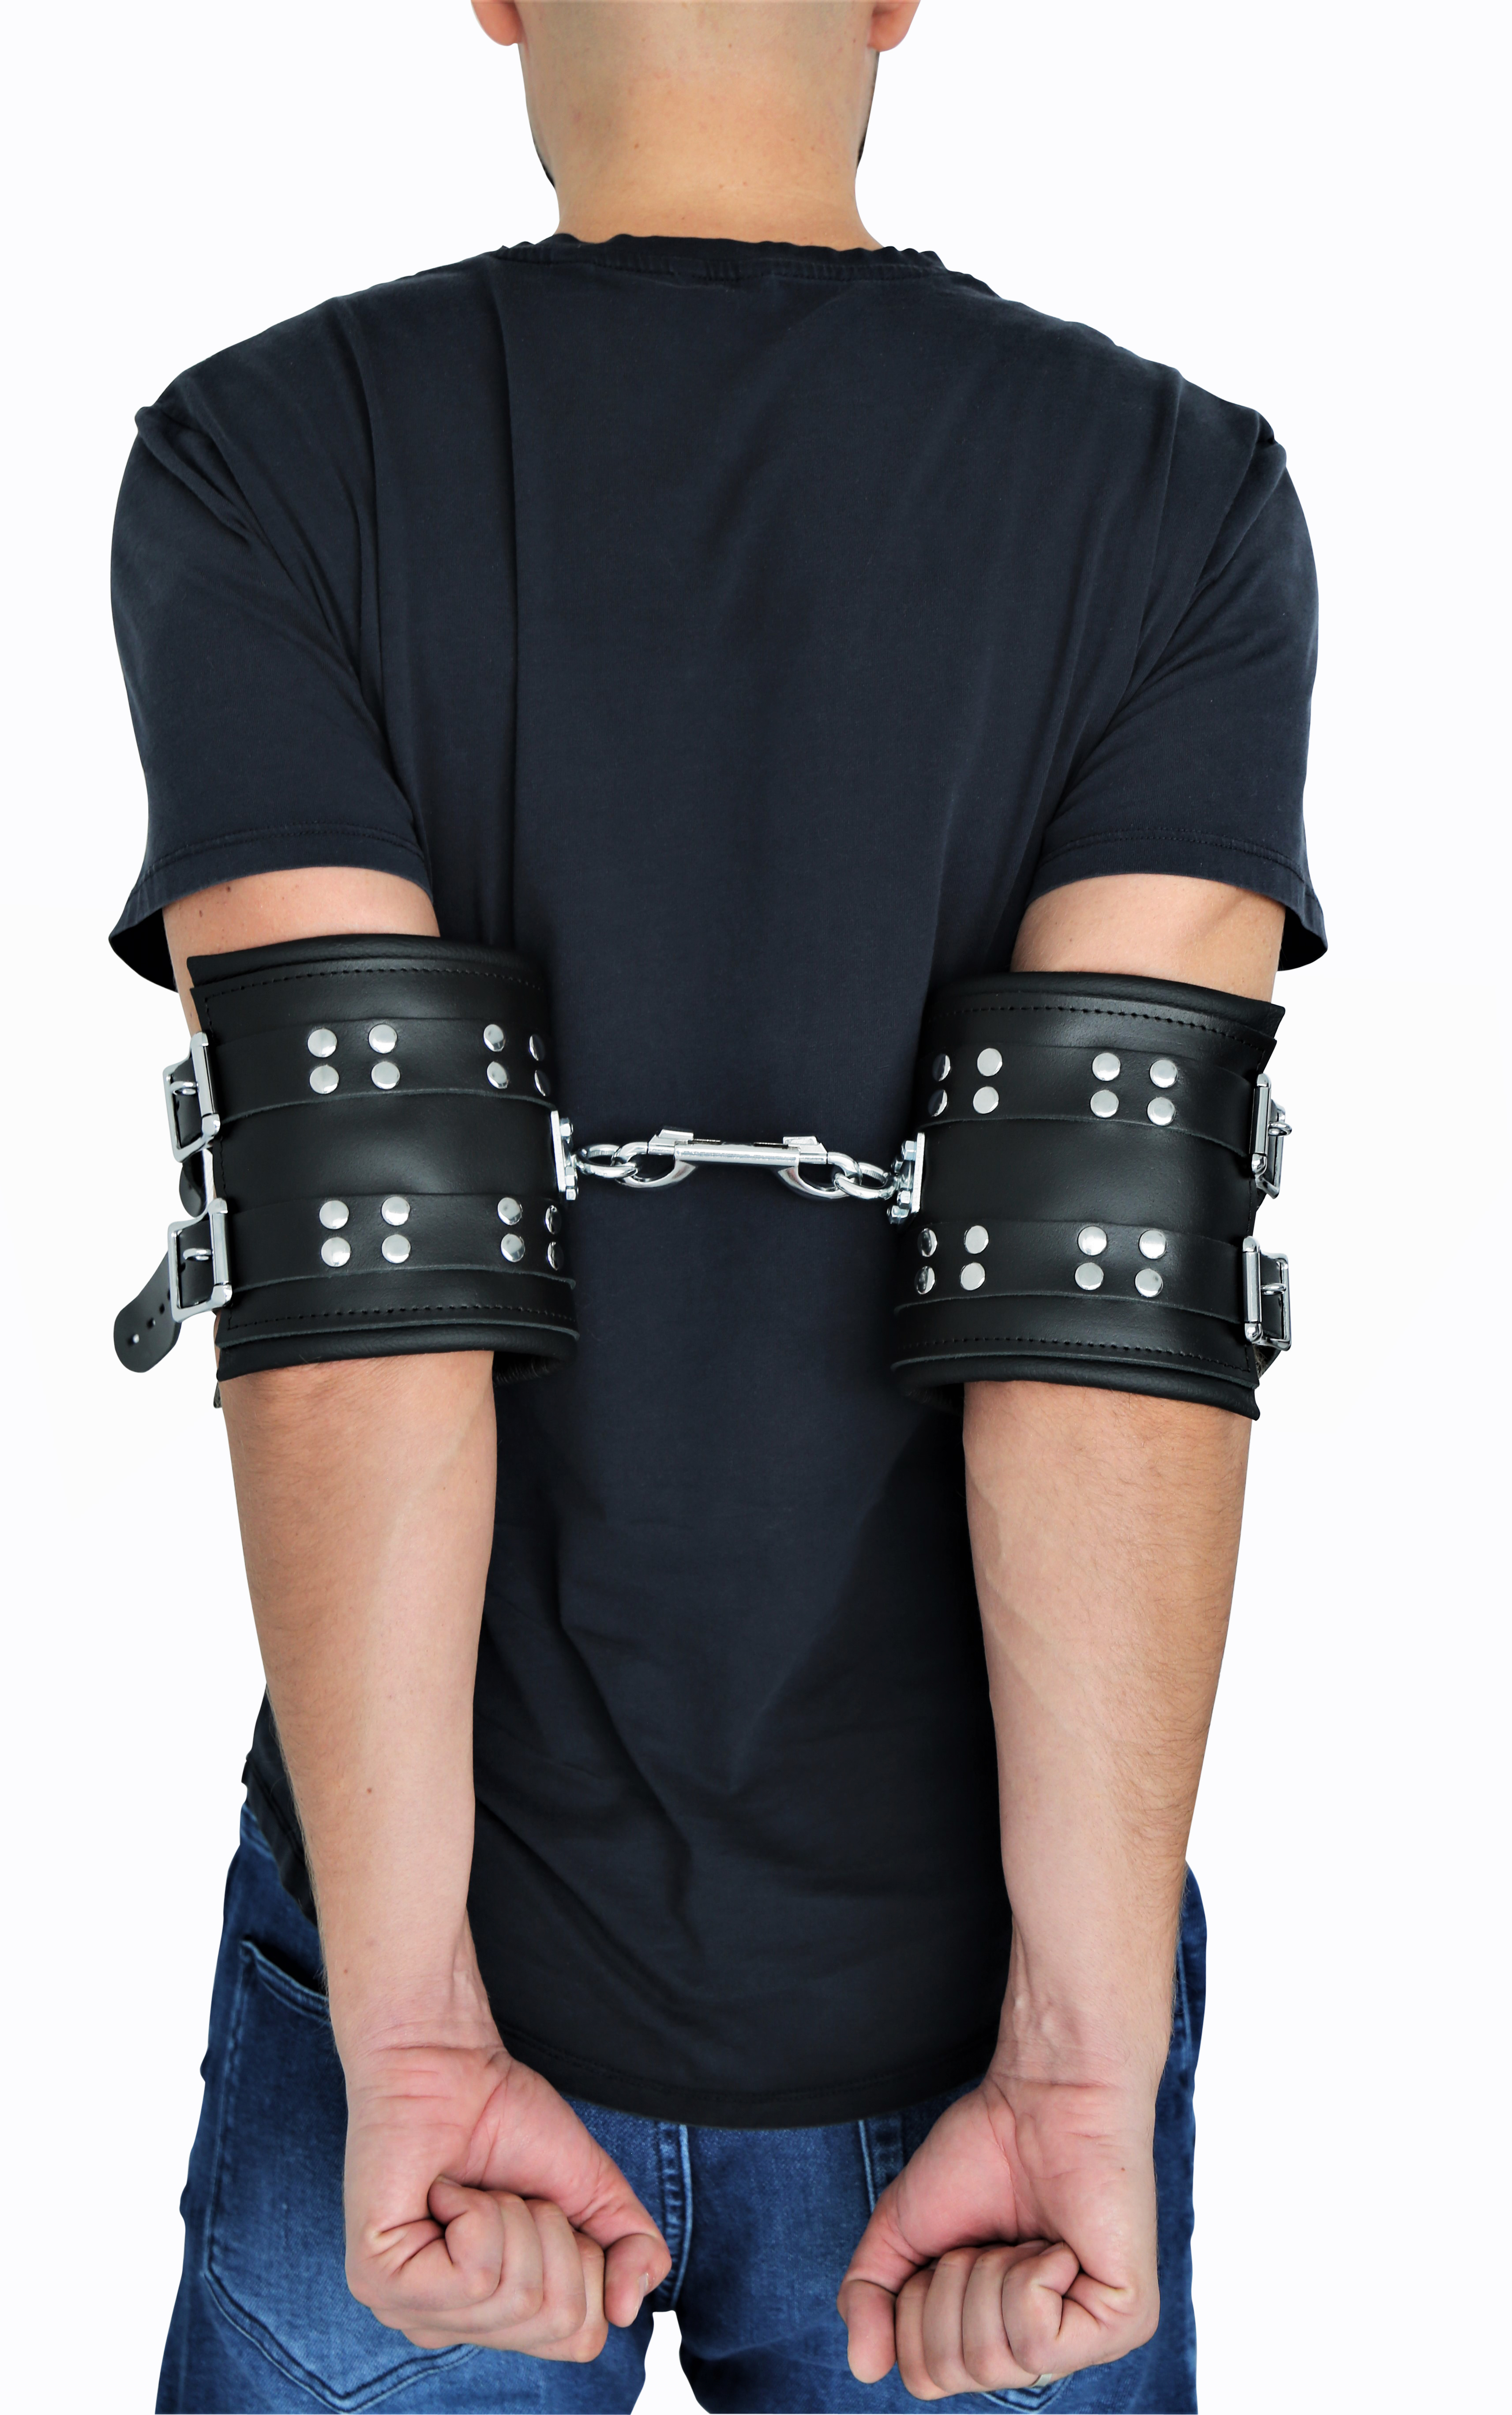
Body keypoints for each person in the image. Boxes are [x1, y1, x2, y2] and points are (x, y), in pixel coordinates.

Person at [111, 5, 1323, 2408]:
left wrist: (411, 2031)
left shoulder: (269, 462)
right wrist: (1080, 2063)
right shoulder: (1171, 498)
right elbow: (1100, 1332)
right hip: (987, 1999)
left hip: (430, 1956)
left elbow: (364, 1298)